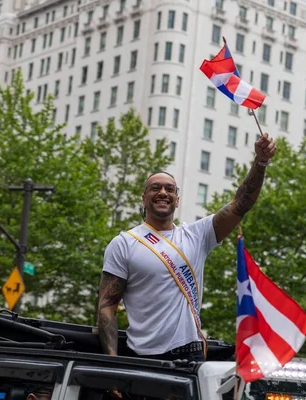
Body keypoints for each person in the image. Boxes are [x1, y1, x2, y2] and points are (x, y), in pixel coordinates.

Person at [98, 132, 277, 361]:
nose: (163, 192)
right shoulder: (124, 243)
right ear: (144, 198)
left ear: (177, 199)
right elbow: (107, 306)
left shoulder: (197, 235)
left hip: (191, 352)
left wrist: (260, 163)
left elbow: (241, 203)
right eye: (155, 188)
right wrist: (111, 363)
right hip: (144, 355)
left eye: (170, 189)